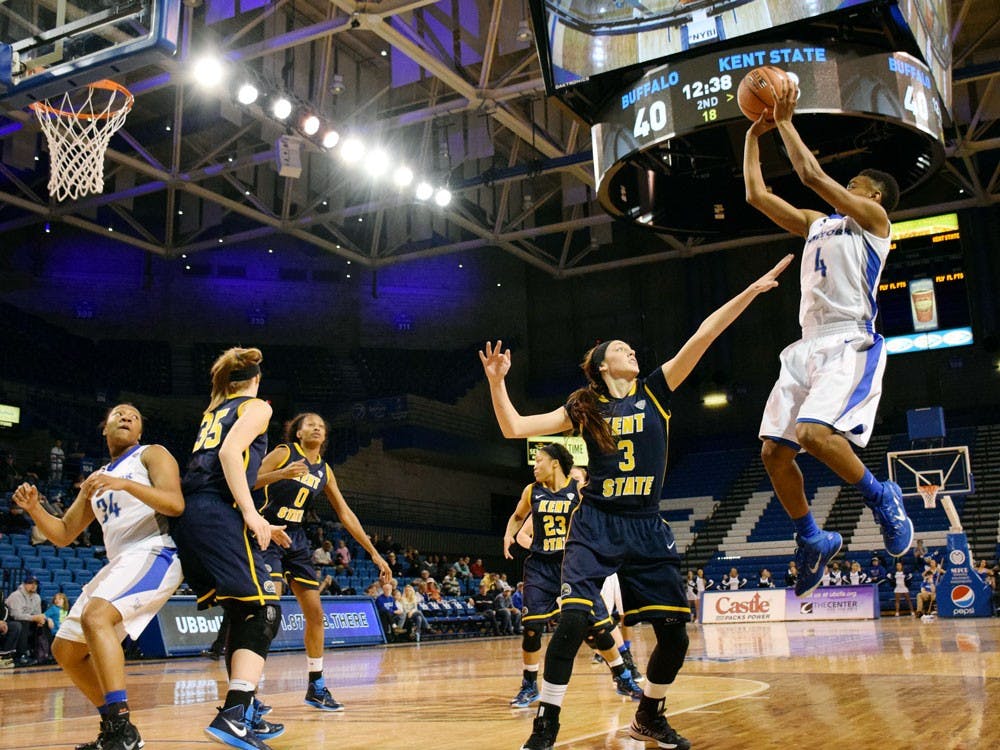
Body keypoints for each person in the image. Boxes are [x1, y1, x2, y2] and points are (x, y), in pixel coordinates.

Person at [480, 255, 791, 750]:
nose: (632, 351)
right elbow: (514, 428)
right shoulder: (585, 406)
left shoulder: (656, 391)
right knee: (576, 620)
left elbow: (704, 335)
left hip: (645, 524)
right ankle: (546, 729)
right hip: (597, 521)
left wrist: (751, 290)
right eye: (621, 349)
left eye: (631, 347)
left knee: (675, 635)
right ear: (604, 366)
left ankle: (649, 716)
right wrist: (498, 383)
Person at [744, 74, 913, 599]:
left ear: (872, 193)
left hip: (847, 340)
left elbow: (812, 174)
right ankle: (811, 538)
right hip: (806, 344)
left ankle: (883, 495)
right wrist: (755, 133)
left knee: (816, 436)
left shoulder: (873, 222)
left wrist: (787, 124)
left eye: (856, 183)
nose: (851, 186)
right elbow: (755, 194)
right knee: (775, 452)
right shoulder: (819, 225)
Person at [10, 403, 185, 750]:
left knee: (95, 617)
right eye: (119, 414)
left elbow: (174, 504)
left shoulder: (152, 454)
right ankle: (117, 729)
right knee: (65, 651)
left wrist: (125, 484)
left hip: (155, 551)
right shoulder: (97, 479)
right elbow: (62, 534)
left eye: (134, 417)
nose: (126, 418)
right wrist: (34, 510)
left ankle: (120, 725)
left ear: (140, 431)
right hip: (121, 561)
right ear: (103, 428)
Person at [169, 347, 289, 750]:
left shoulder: (214, 410)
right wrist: (253, 515)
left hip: (195, 513)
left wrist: (251, 518)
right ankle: (234, 713)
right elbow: (227, 454)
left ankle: (244, 707)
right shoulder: (256, 407)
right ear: (256, 380)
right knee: (262, 610)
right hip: (217, 510)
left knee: (243, 610)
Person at [252, 412, 391, 712]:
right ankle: (247, 692)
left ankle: (316, 687)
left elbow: (345, 513)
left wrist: (374, 552)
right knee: (269, 612)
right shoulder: (284, 453)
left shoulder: (325, 471)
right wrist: (282, 474)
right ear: (297, 432)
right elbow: (249, 481)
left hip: (297, 539)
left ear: (325, 437)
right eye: (309, 424)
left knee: (315, 614)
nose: (316, 426)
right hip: (268, 532)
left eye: (321, 425)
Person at [503, 444, 641, 709]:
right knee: (532, 628)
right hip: (541, 567)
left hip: (574, 567)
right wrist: (509, 534)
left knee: (599, 628)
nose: (534, 466)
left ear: (555, 463)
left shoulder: (578, 492)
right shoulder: (532, 491)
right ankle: (530, 685)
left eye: (539, 461)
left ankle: (623, 676)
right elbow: (518, 516)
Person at [4, 575, 46, 666]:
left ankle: (43, 654)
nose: (33, 585)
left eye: (35, 584)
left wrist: (41, 619)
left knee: (44, 623)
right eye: (30, 583)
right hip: (10, 621)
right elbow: (16, 615)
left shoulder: (37, 597)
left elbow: (37, 613)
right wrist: (34, 618)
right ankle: (21, 655)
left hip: (27, 620)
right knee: (23, 623)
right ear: (24, 584)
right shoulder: (16, 595)